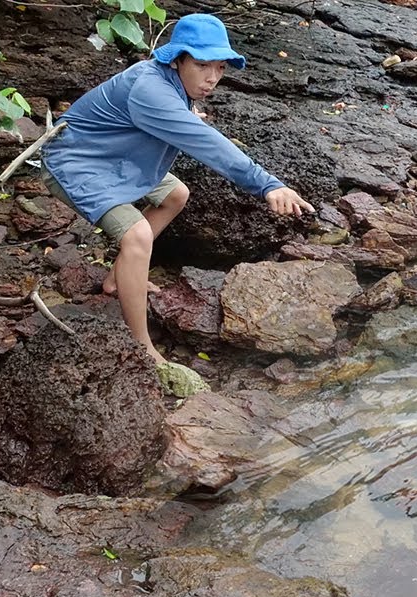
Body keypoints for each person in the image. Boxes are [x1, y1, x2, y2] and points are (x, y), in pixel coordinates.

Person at [41, 13, 313, 365]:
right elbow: (209, 145)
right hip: (75, 162)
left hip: (118, 155)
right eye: (202, 65)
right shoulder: (149, 89)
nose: (212, 78)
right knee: (137, 235)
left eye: (220, 68)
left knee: (175, 195)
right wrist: (268, 185)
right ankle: (143, 348)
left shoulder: (170, 83)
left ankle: (117, 280)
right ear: (178, 58)